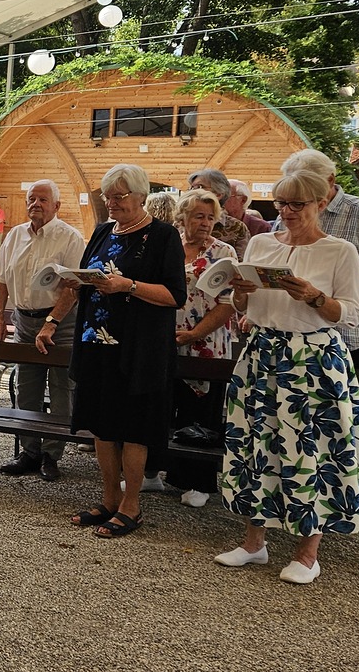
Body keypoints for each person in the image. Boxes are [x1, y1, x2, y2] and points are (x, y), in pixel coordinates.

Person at [215, 169, 359, 585]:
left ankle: (307, 553)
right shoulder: (262, 243)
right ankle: (254, 544)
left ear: (321, 203)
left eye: (297, 204)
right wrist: (241, 294)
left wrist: (315, 297)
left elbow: (352, 314)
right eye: (281, 203)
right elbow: (246, 307)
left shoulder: (339, 250)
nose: (287, 211)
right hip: (263, 353)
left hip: (313, 358)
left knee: (311, 449)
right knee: (256, 443)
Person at [66, 164, 184, 539]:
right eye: (108, 196)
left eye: (119, 196)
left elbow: (174, 295)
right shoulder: (103, 231)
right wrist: (74, 284)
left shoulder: (163, 236)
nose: (111, 203)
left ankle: (131, 505)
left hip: (139, 349)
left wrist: (128, 285)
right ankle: (109, 499)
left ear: (141, 196)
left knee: (134, 428)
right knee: (102, 426)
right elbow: (88, 276)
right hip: (96, 343)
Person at [0, 180, 84, 483]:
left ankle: (51, 455)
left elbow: (73, 288)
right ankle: (29, 451)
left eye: (43, 199)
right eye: (32, 199)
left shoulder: (70, 238)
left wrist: (51, 322)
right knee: (26, 388)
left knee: (61, 389)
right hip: (24, 321)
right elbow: (1, 281)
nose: (36, 204)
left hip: (61, 323)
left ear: (57, 205)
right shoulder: (15, 235)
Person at [279, 149, 359, 370]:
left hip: (357, 337)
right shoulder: (286, 215)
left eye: (307, 183)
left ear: (330, 180)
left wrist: (329, 272)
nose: (298, 191)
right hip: (296, 335)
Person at [163, 189, 237, 508]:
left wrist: (194, 333)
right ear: (182, 218)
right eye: (198, 216)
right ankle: (157, 471)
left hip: (207, 342)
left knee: (201, 413)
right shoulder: (169, 247)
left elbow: (229, 303)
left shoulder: (223, 253)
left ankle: (200, 482)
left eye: (210, 217)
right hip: (167, 340)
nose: (205, 223)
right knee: (164, 406)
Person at [188, 168, 251, 258]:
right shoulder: (181, 223)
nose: (192, 192)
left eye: (199, 187)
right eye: (191, 188)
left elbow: (240, 264)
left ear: (218, 194)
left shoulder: (237, 228)